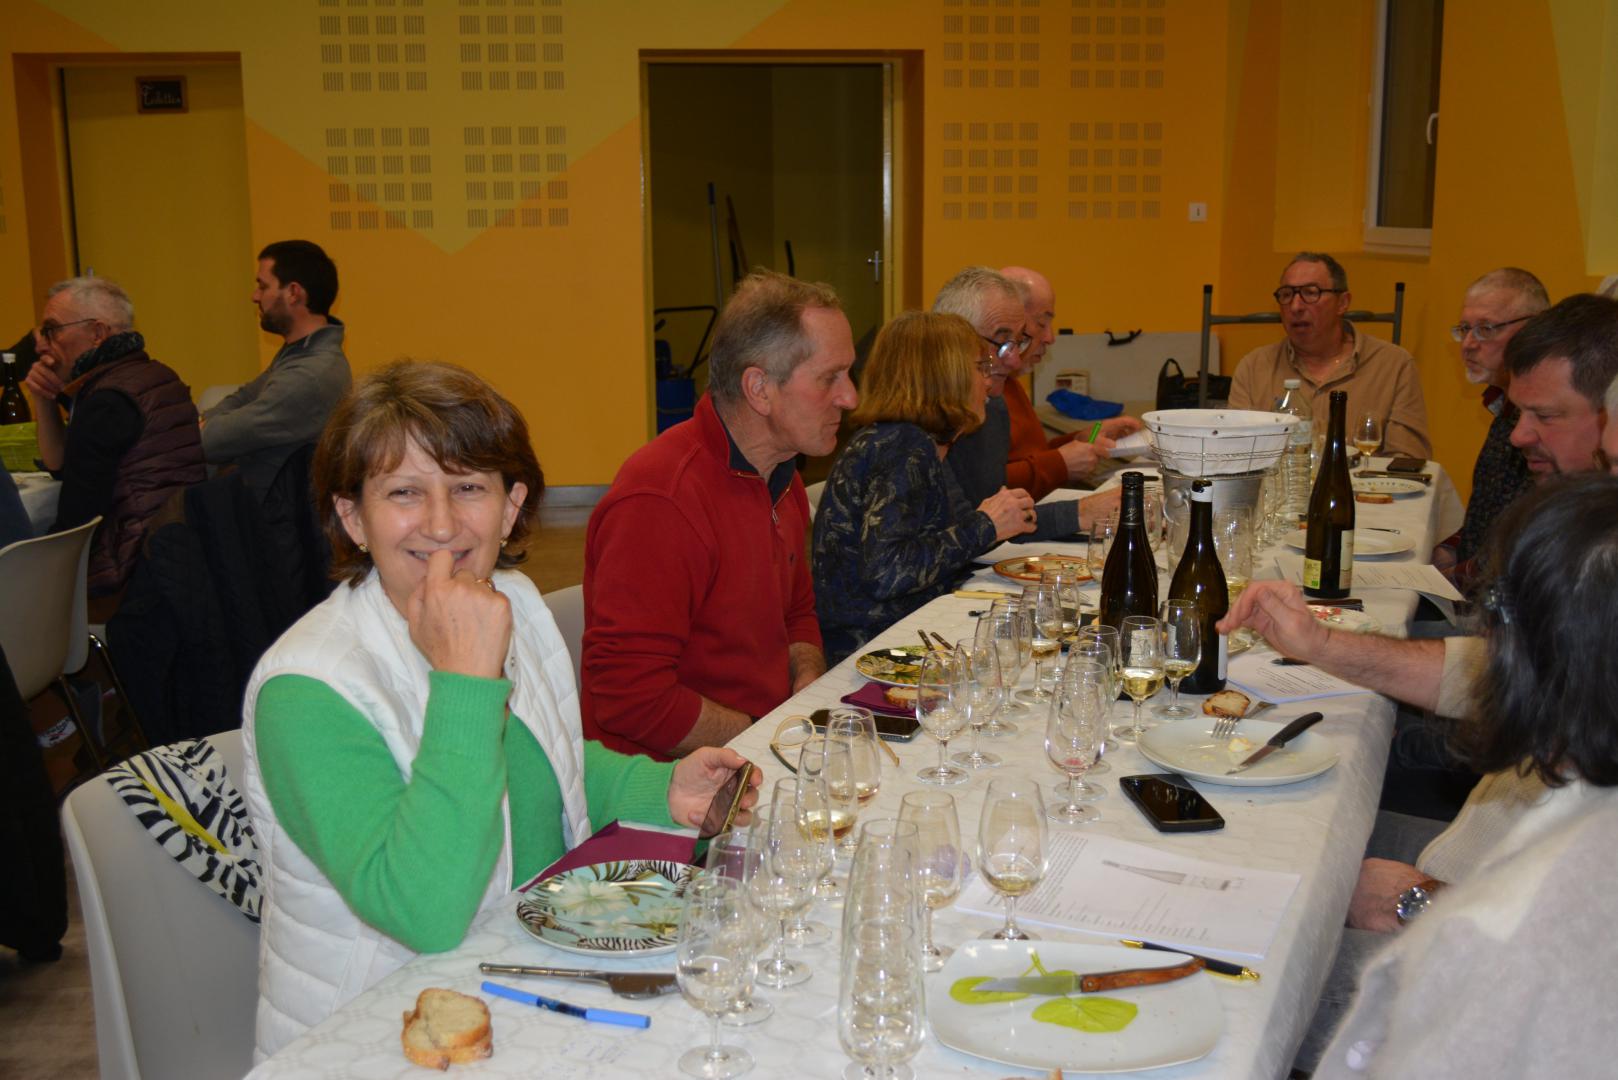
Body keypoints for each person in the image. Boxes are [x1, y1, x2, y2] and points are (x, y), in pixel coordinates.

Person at [239, 360, 757, 1058]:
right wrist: (465, 684)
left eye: (468, 487)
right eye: (404, 492)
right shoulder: (305, 690)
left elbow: (542, 763)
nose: (441, 523)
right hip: (381, 1033)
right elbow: (424, 911)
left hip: (523, 981)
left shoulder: (509, 601)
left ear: (510, 508)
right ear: (353, 517)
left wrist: (659, 787)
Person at [1309, 474, 1618, 1078]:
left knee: (1264, 966)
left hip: (1457, 946)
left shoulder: (1505, 940)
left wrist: (1417, 900)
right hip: (1461, 883)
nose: (1479, 636)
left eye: (1495, 607)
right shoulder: (1585, 773)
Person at [582, 270, 853, 760]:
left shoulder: (780, 476)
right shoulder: (661, 500)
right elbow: (631, 698)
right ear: (759, 389)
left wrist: (807, 676)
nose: (850, 397)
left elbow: (796, 613)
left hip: (758, 744)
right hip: (671, 778)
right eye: (829, 377)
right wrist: (761, 736)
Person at [812, 311, 1035, 663]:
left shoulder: (903, 440)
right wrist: (985, 525)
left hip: (894, 637)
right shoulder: (903, 447)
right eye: (979, 368)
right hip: (870, 652)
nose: (987, 382)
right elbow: (887, 573)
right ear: (945, 376)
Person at [21, 276, 205, 596]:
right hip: (176, 551)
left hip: (130, 567)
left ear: (97, 334)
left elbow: (76, 524)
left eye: (52, 330)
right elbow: (60, 465)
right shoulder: (153, 374)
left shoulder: (106, 401)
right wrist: (44, 399)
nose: (41, 345)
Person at [937, 266, 1120, 538]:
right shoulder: (914, 428)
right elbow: (978, 527)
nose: (1013, 360)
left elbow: (990, 520)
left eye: (1018, 342)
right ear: (953, 337)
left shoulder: (993, 399)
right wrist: (1079, 511)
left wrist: (1078, 443)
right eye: (1002, 342)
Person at [1228, 253, 1431, 458]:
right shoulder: (1254, 368)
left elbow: (1407, 462)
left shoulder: (1393, 365)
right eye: (1287, 295)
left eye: (1310, 293)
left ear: (1343, 302)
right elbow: (1233, 454)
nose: (1296, 307)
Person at [202, 240, 352, 497]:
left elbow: (211, 442)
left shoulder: (311, 375)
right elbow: (244, 397)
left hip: (267, 513)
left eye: (263, 286)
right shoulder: (299, 353)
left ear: (293, 292)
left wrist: (203, 428)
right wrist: (205, 423)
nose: (255, 296)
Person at [1431, 268, 1547, 587]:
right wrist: (1450, 549)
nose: (1468, 344)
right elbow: (1491, 516)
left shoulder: (1541, 423)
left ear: (1534, 329)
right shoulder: (1501, 402)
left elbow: (1524, 541)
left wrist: (1451, 576)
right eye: (1465, 329)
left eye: (1485, 329)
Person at [997, 265, 1142, 500]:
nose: (1050, 338)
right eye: (1041, 323)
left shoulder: (1011, 383)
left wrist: (1083, 438)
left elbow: (1033, 457)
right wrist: (1061, 463)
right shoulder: (986, 390)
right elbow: (988, 485)